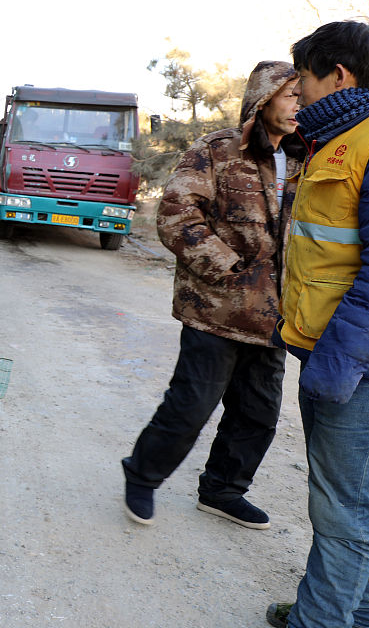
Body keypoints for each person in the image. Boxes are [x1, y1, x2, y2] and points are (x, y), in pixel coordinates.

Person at [265, 21, 369, 628]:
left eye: (305, 80)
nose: (299, 93)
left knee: (342, 511)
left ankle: (318, 621)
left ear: (340, 76)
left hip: (367, 366)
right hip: (339, 356)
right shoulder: (340, 138)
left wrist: (336, 364)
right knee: (352, 503)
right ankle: (361, 615)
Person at [121, 60, 306, 528]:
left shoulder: (312, 156)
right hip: (216, 309)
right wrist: (227, 267)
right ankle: (142, 476)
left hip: (275, 318)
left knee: (258, 415)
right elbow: (178, 214)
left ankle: (223, 490)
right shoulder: (219, 149)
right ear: (263, 99)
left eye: (304, 97)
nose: (298, 106)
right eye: (290, 95)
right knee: (191, 405)